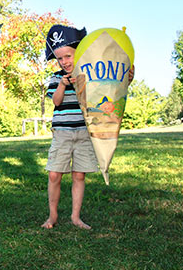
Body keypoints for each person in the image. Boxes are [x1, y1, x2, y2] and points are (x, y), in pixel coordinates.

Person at [41, 24, 133, 230]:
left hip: (84, 132)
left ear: (79, 53)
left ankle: (75, 216)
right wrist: (64, 84)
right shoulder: (56, 78)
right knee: (54, 174)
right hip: (62, 133)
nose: (64, 62)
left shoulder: (90, 75)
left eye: (68, 56)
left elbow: (111, 88)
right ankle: (52, 216)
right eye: (60, 58)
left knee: (79, 175)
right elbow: (56, 102)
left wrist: (128, 76)